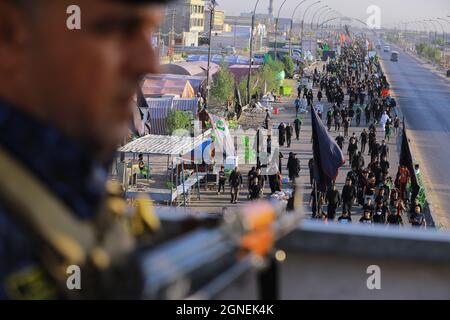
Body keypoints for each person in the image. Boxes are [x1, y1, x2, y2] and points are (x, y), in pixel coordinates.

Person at [0, 0, 173, 300]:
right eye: (116, 27)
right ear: (9, 33)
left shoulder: (73, 190)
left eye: (149, 29)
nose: (149, 62)